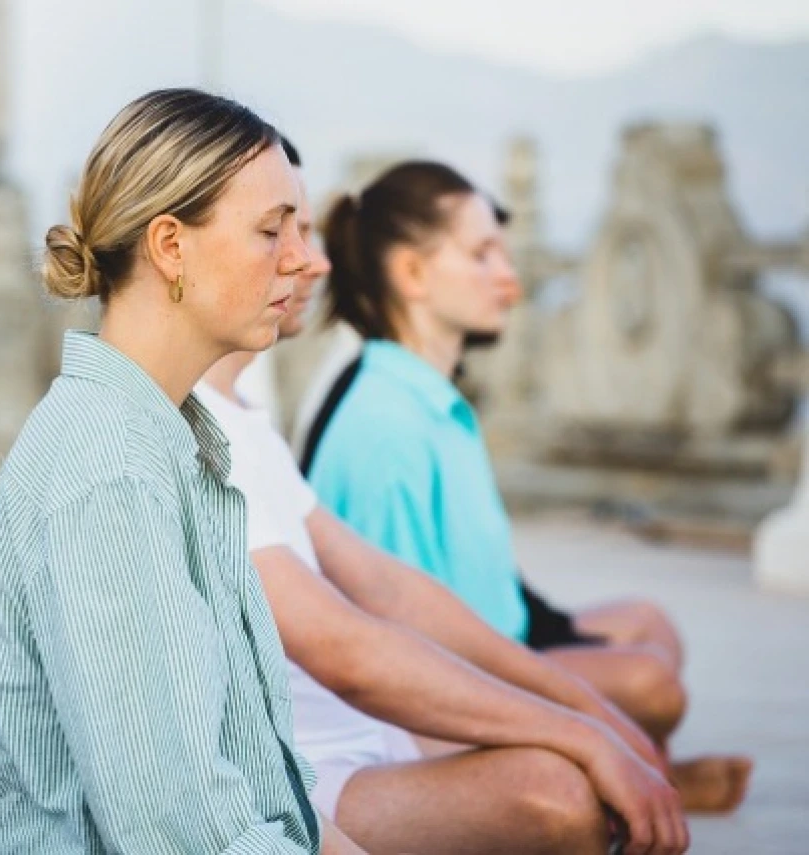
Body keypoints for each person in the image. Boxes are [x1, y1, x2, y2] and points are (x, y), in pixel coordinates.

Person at [200, 140, 688, 855]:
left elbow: (393, 590)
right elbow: (354, 646)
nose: (314, 261)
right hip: (303, 770)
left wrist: (583, 715)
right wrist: (576, 724)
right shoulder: (347, 424)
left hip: (357, 734)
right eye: (277, 232)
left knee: (627, 672)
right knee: (564, 788)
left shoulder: (243, 421)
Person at [0, 89, 364, 855]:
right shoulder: (109, 471)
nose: (302, 259)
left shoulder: (169, 444)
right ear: (171, 247)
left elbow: (269, 793)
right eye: (272, 230)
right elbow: (185, 834)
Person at [303, 160, 752, 812]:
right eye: (484, 254)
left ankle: (644, 766)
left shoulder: (427, 395)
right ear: (413, 273)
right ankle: (637, 773)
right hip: (450, 675)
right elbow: (397, 631)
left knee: (650, 622)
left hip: (502, 634)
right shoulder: (384, 424)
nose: (510, 280)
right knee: (652, 683)